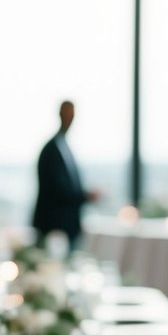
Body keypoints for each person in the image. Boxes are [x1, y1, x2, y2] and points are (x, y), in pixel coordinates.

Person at [32, 100, 98, 250]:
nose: (70, 119)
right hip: (54, 227)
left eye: (73, 114)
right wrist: (86, 196)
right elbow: (58, 189)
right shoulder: (51, 150)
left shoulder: (63, 146)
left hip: (67, 226)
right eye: (68, 114)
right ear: (60, 115)